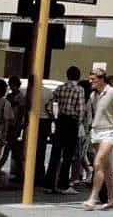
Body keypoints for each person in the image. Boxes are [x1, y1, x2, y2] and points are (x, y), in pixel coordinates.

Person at [83, 68, 113, 211]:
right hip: (96, 132)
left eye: (93, 79)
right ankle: (112, 197)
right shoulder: (93, 95)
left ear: (101, 79)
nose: (90, 82)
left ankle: (93, 198)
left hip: (110, 132)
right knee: (106, 167)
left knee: (98, 163)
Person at [45, 66, 86, 194]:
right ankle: (63, 184)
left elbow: (49, 104)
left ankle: (49, 184)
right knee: (68, 155)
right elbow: (80, 109)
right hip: (72, 122)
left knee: (55, 153)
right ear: (78, 76)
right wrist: (79, 122)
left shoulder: (60, 88)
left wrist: (53, 117)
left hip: (61, 120)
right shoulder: (79, 90)